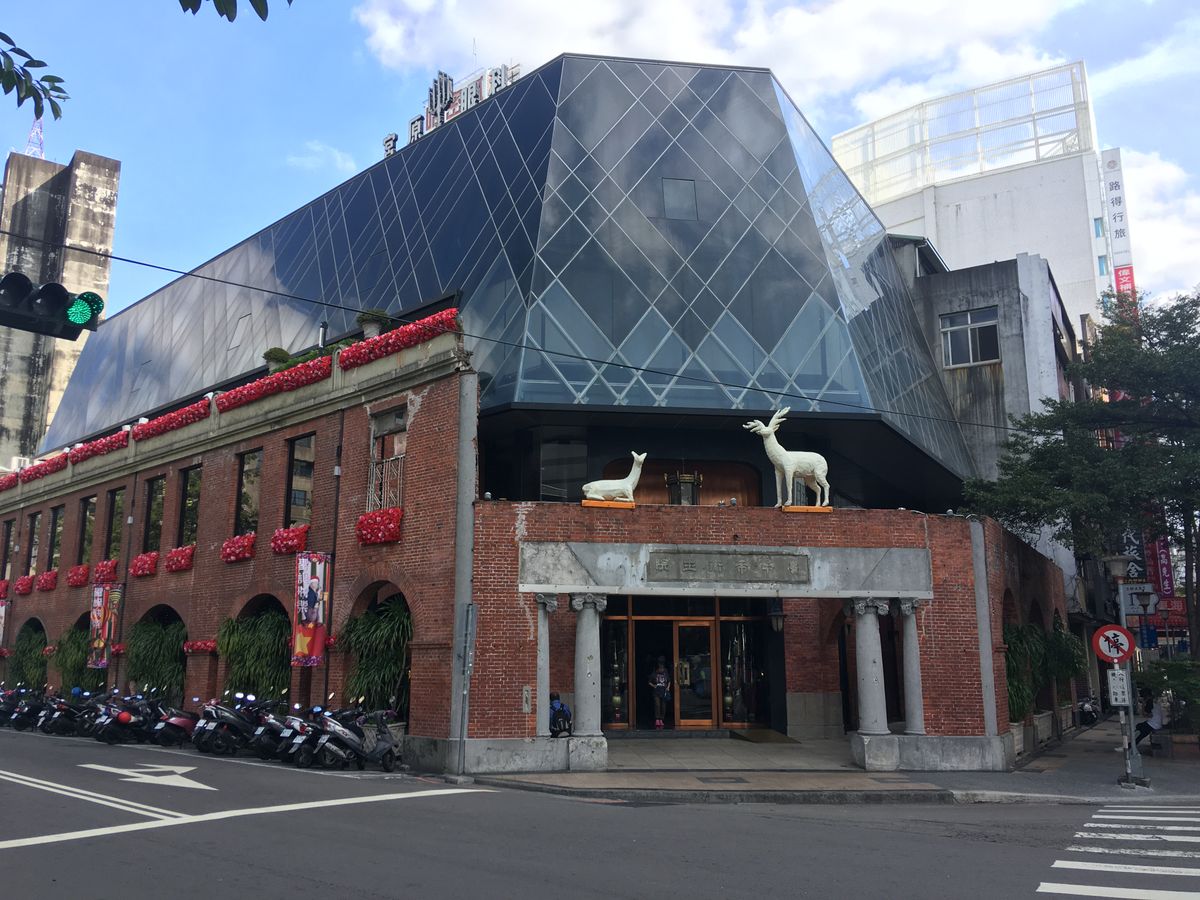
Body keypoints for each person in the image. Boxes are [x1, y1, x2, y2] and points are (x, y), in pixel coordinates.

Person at [649, 656, 672, 730]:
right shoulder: (655, 672)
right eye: (660, 666)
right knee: (657, 705)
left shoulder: (666, 672)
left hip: (664, 691)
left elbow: (669, 680)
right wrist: (654, 686)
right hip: (656, 692)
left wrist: (668, 687)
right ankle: (657, 719)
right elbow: (649, 682)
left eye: (662, 666)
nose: (661, 668)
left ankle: (661, 719)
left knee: (663, 706)